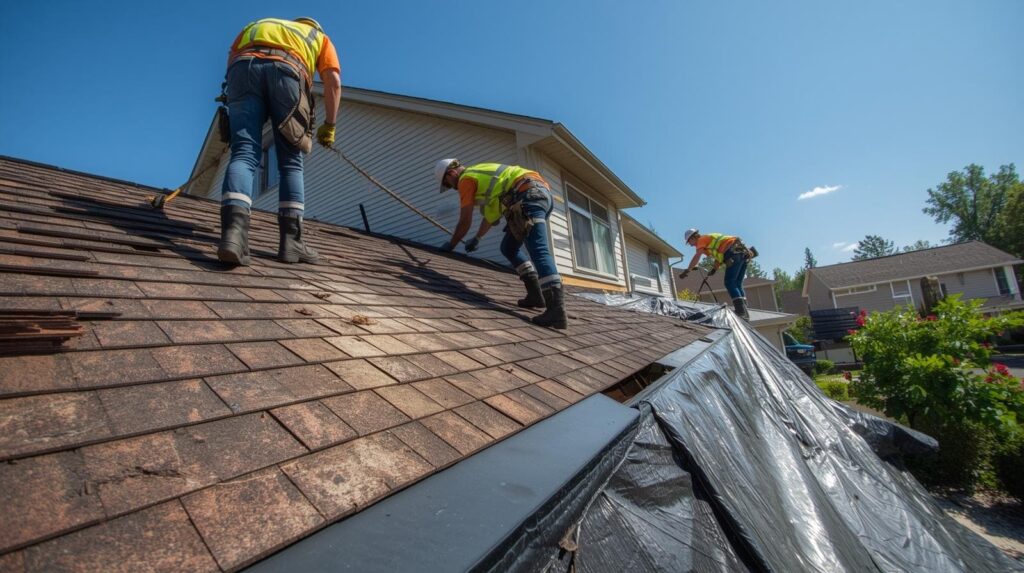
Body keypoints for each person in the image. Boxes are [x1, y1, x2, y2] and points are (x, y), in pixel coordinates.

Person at [217, 17, 342, 266]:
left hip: (242, 70)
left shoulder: (255, 25)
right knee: (290, 162)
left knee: (243, 153)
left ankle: (233, 236)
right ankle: (292, 244)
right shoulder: (319, 37)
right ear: (314, 27)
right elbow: (333, 81)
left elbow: (231, 60)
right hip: (288, 71)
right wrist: (329, 126)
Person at [434, 159, 567, 329]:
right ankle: (535, 295)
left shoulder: (466, 179)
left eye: (449, 184)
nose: (454, 188)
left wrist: (450, 245)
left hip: (528, 196)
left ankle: (556, 310)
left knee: (539, 250)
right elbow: (491, 215)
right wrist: (477, 238)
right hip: (534, 195)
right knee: (509, 247)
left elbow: (464, 221)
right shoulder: (486, 178)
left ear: (451, 174)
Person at [679, 228, 756, 320]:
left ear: (692, 238)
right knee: (737, 283)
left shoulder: (701, 240)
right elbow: (719, 257)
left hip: (733, 253)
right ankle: (744, 311)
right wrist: (714, 269)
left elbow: (697, 257)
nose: (691, 245)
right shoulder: (709, 242)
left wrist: (688, 270)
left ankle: (740, 311)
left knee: (729, 282)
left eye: (689, 242)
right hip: (742, 253)